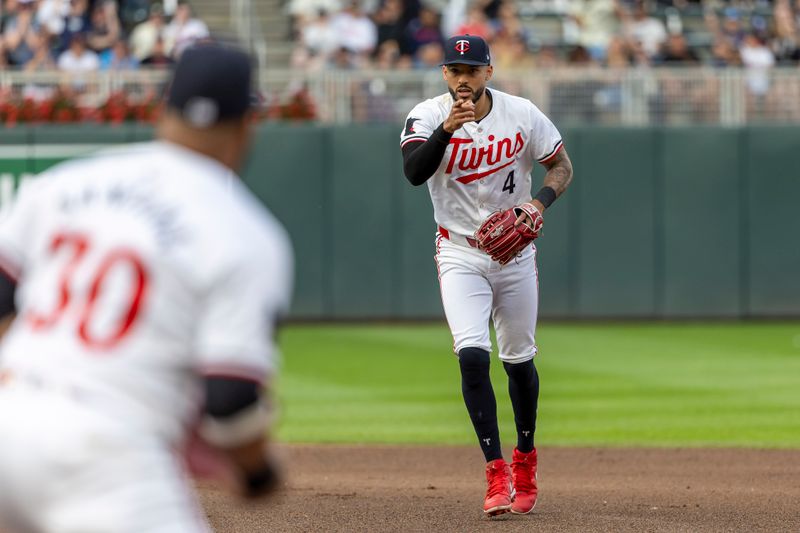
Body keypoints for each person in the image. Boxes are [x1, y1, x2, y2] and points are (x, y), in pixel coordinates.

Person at [0, 42, 293, 533]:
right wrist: (259, 472)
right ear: (247, 126)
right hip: (107, 454)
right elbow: (230, 400)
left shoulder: (66, 182)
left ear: (164, 109)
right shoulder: (247, 233)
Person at [399, 34, 573, 517]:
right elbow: (414, 172)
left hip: (515, 254)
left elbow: (561, 165)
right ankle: (495, 470)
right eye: (454, 70)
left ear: (488, 73)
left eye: (471, 70)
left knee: (518, 361)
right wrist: (447, 131)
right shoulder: (428, 115)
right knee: (472, 355)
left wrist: (540, 204)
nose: (462, 78)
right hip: (459, 252)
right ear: (443, 75)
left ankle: (525, 458)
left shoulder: (521, 112)